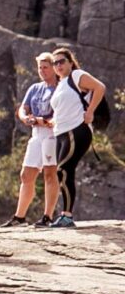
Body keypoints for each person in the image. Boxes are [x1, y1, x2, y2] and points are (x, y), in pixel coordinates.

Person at [49, 47, 106, 227]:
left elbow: (100, 87)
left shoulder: (76, 75)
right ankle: (65, 214)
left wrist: (90, 112)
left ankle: (67, 215)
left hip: (77, 129)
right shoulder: (61, 83)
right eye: (54, 63)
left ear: (70, 62)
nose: (58, 65)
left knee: (63, 169)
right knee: (64, 172)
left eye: (61, 61)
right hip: (61, 133)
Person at [13, 51, 62, 225]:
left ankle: (48, 215)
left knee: (50, 173)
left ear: (54, 68)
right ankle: (19, 216)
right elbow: (23, 108)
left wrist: (47, 121)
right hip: (36, 134)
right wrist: (25, 117)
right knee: (26, 174)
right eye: (40, 67)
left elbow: (63, 111)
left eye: (46, 67)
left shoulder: (60, 87)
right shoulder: (35, 88)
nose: (42, 71)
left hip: (52, 134)